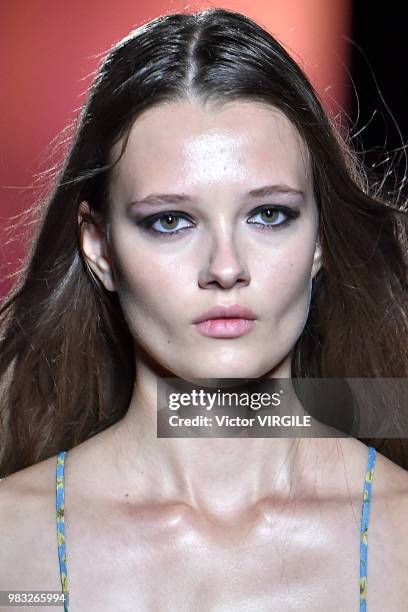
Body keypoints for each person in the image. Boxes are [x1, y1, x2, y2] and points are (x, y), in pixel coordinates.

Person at [1, 7, 408, 611]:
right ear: (99, 247)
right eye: (171, 220)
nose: (225, 267)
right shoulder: (14, 549)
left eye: (269, 214)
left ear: (320, 238)